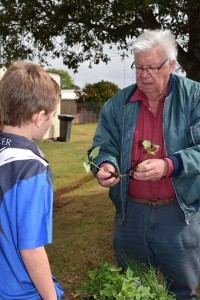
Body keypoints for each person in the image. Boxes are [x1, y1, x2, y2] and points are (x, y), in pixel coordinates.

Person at [89, 29, 200, 300]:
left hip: (179, 216)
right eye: (138, 67)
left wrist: (169, 165)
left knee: (181, 292)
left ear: (171, 65)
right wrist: (104, 164)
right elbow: (99, 148)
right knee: (131, 289)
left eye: (151, 67)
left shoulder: (195, 97)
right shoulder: (117, 104)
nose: (143, 75)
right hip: (131, 217)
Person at [0, 61, 64, 299]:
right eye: (52, 116)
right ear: (39, 117)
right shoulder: (31, 169)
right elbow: (31, 250)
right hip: (20, 292)